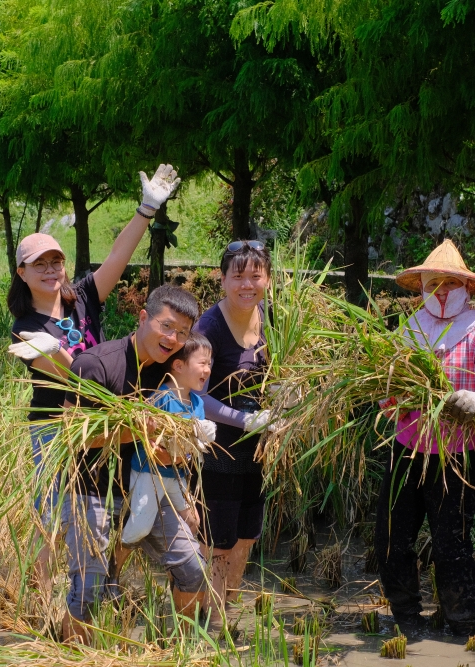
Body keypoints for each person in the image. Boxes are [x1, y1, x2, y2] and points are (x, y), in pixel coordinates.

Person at [6, 164, 181, 586]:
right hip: (57, 428)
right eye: (39, 264)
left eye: (56, 261)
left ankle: (105, 586)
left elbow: (118, 259)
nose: (51, 270)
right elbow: (74, 381)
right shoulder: (25, 327)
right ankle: (40, 598)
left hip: (107, 419)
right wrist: (60, 355)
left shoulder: (82, 297)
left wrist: (146, 209)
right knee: (52, 513)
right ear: (22, 272)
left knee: (109, 505)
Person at [376, 239, 475, 635]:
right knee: (390, 539)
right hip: (406, 450)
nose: (440, 292)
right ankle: (408, 622)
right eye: (433, 284)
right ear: (421, 286)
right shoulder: (408, 332)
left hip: (456, 458)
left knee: (451, 547)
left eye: (449, 284)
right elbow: (385, 397)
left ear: (466, 289)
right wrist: (394, 400)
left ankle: (465, 627)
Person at [59, 285, 208, 643]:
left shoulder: (169, 373)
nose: (172, 338)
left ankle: (175, 651)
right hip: (90, 489)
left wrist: (186, 493)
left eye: (182, 333)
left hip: (149, 486)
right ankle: (71, 655)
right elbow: (72, 435)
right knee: (89, 588)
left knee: (193, 570)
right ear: (143, 318)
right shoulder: (96, 364)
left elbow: (183, 434)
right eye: (166, 326)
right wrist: (135, 430)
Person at [194, 240, 278, 620]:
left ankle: (227, 610)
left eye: (255, 276)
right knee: (219, 540)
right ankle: (209, 621)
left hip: (260, 450)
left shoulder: (274, 320)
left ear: (268, 280)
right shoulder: (209, 326)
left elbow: (288, 370)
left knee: (248, 535)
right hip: (219, 450)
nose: (248, 284)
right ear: (222, 280)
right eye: (238, 276)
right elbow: (194, 393)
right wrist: (241, 418)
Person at [121, 332, 217, 546]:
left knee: (194, 520)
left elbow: (194, 443)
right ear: (179, 366)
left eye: (209, 364)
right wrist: (180, 453)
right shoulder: (160, 398)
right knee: (139, 528)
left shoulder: (197, 404)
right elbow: (150, 446)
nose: (207, 370)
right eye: (202, 363)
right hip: (150, 474)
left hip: (176, 474)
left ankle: (176, 574)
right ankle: (116, 561)